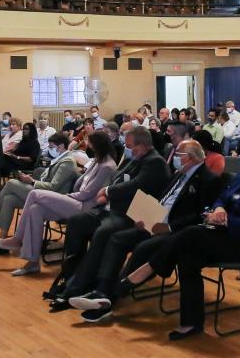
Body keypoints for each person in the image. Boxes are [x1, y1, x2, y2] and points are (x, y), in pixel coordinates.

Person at [122, 137, 240, 340]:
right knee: (188, 255)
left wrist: (226, 221)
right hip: (225, 235)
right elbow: (222, 198)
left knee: (191, 233)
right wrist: (219, 208)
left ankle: (148, 269)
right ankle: (191, 322)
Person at [61, 140, 228, 319]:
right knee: (117, 239)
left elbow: (199, 214)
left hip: (177, 231)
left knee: (143, 248)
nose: (175, 159)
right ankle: (101, 288)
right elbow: (162, 200)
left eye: (178, 156)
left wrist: (169, 227)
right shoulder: (179, 174)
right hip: (154, 222)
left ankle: (109, 297)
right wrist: (145, 216)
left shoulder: (209, 180)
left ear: (191, 158)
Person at [45, 127, 171, 308]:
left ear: (142, 145)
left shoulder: (155, 162)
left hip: (131, 214)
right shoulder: (135, 158)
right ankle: (72, 273)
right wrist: (108, 190)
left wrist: (107, 191)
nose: (127, 149)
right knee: (77, 222)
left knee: (103, 232)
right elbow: (118, 178)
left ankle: (82, 284)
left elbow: (135, 185)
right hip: (112, 208)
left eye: (130, 146)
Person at [0, 134, 117, 274]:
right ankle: (32, 262)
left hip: (86, 206)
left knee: (34, 194)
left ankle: (17, 239)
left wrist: (66, 196)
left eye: (89, 142)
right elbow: (82, 186)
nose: (87, 144)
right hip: (77, 200)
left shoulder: (107, 166)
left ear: (98, 144)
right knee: (35, 209)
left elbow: (87, 194)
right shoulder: (97, 161)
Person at [0, 133, 87, 253]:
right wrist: (30, 180)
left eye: (51, 146)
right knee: (9, 199)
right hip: (43, 191)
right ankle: (2, 242)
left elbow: (53, 187)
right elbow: (47, 180)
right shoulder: (60, 158)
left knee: (11, 183)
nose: (49, 149)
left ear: (61, 146)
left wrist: (32, 182)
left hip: (53, 197)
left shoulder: (68, 161)